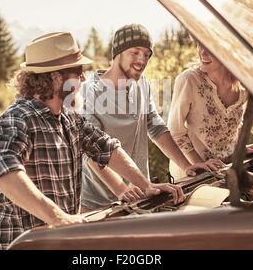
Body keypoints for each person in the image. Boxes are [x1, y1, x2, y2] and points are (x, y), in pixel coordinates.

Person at [0, 32, 184, 250]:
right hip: (25, 244)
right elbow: (3, 170)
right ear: (56, 77)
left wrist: (145, 186)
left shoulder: (69, 118)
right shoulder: (18, 118)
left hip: (60, 241)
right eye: (78, 71)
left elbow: (106, 147)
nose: (82, 78)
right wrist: (58, 218)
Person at [80, 24, 219, 212]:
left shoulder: (141, 84)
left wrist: (187, 166)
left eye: (147, 54)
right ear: (118, 53)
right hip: (98, 203)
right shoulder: (89, 92)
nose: (142, 60)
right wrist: (121, 189)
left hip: (140, 196)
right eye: (135, 52)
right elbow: (90, 151)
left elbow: (155, 127)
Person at [168, 41, 253, 180]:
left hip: (226, 168)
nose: (202, 52)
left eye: (210, 46)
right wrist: (201, 165)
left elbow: (233, 124)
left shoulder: (244, 85)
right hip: (192, 173)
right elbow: (175, 131)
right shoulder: (189, 80)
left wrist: (239, 148)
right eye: (199, 44)